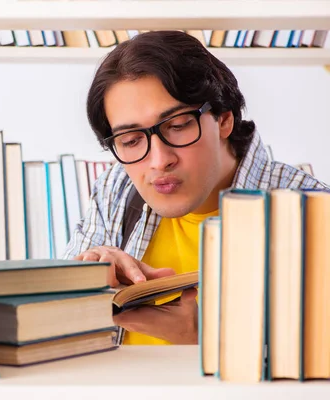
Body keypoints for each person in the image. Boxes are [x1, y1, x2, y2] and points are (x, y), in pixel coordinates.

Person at [63, 30, 328, 345]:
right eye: (131, 140)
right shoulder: (115, 188)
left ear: (224, 120)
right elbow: (53, 324)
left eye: (177, 126)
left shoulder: (311, 209)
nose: (159, 161)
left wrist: (207, 338)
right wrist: (86, 274)